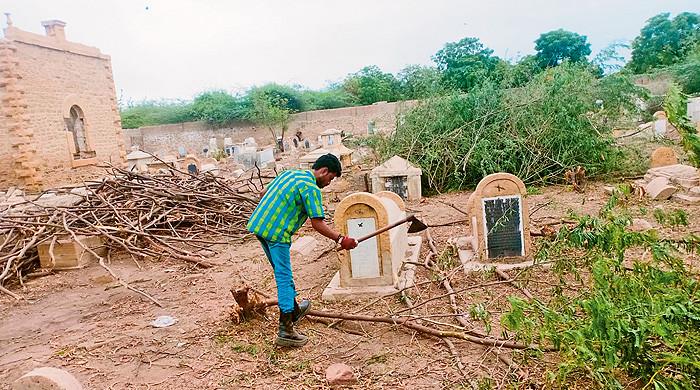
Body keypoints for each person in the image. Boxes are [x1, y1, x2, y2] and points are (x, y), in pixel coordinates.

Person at [246, 153, 358, 347]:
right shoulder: (311, 188)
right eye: (330, 178)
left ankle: (295, 310)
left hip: (259, 226)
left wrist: (280, 209)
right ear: (323, 171)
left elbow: (264, 193)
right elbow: (317, 223)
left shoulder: (290, 174)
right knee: (284, 277)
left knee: (280, 271)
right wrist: (341, 239)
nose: (329, 183)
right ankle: (286, 330)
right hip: (277, 235)